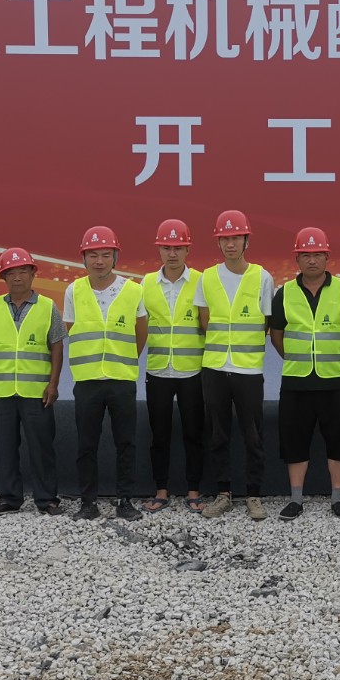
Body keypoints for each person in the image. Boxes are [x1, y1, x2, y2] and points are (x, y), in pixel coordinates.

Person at [269, 227, 340, 520]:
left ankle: (337, 498)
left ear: (327, 257)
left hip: (335, 380)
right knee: (294, 441)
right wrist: (296, 358)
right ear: (297, 259)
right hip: (296, 380)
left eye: (318, 254)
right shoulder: (284, 293)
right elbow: (277, 335)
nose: (312, 260)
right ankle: (296, 499)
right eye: (306, 255)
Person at [195, 209, 274, 521]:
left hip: (248, 369)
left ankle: (254, 496)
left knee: (253, 436)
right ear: (218, 242)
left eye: (236, 238)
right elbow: (204, 321)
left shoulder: (262, 277)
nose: (230, 244)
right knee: (218, 434)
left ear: (246, 241)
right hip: (214, 367)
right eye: (224, 238)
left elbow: (266, 322)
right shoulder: (207, 277)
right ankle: (223, 494)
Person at [64, 226, 146, 522]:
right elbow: (71, 329)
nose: (99, 261)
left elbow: (140, 333)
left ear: (115, 257)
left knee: (126, 443)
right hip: (87, 381)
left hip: (121, 379)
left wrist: (123, 359)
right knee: (87, 444)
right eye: (93, 255)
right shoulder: (73, 290)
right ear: (84, 258)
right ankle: (88, 502)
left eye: (106, 255)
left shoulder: (134, 290)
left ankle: (125, 500)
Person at [0, 248, 64, 515]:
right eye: (11, 273)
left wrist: (53, 384)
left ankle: (46, 499)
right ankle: (10, 498)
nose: (17, 278)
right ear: (3, 277)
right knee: (6, 448)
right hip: (2, 391)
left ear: (33, 274)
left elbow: (57, 346)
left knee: (42, 447)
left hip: (37, 392)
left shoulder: (48, 306)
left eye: (23, 271)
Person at [142, 218, 206, 514]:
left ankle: (194, 490)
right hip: (158, 370)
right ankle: (161, 491)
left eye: (178, 247)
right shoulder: (146, 283)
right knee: (160, 435)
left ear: (188, 249)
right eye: (166, 247)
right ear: (159, 250)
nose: (172, 253)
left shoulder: (201, 281)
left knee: (194, 433)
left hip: (192, 369)